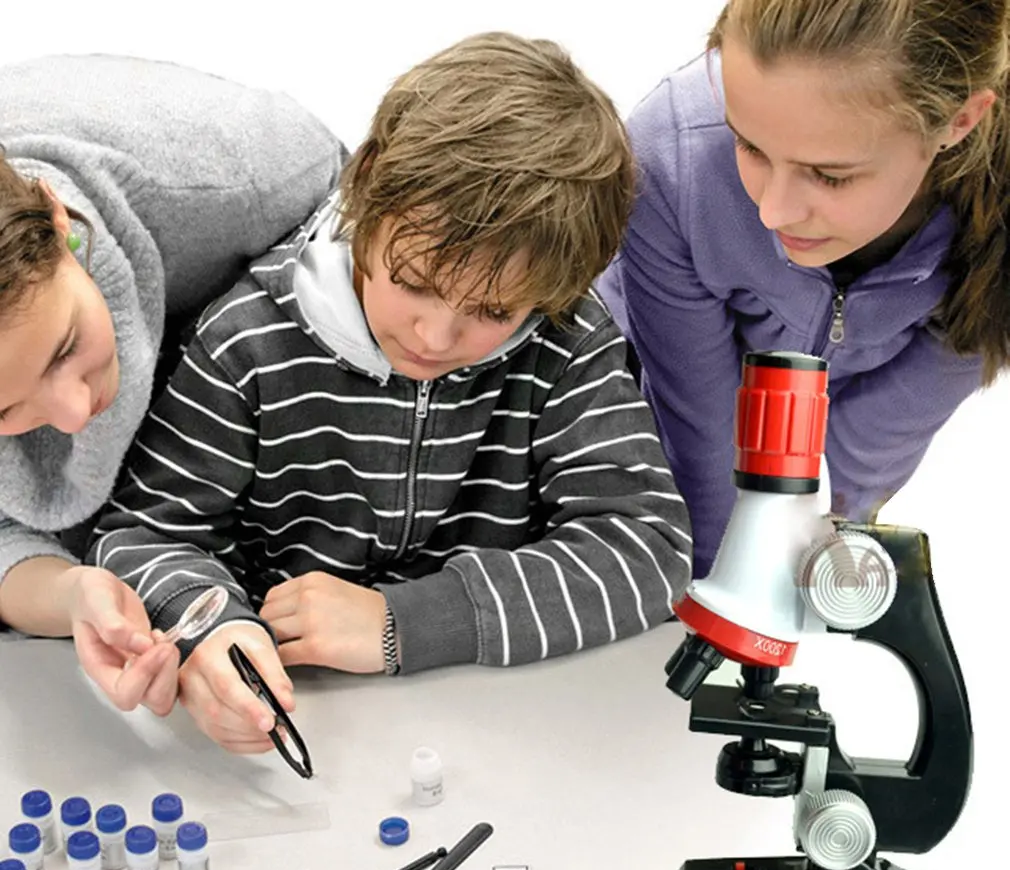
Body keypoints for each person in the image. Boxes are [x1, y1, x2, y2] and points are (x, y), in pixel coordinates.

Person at [86, 32, 693, 756]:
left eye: (494, 312)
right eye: (414, 282)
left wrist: (408, 622)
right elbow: (143, 534)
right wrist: (212, 632)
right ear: (368, 188)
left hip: (497, 730)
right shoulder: (246, 340)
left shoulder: (566, 341)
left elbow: (648, 547)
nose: (435, 337)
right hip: (297, 726)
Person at [598, 0, 1009, 578]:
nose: (773, 211)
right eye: (749, 146)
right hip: (647, 452)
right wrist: (715, 584)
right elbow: (700, 436)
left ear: (959, 121)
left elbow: (869, 448)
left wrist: (802, 562)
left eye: (829, 175)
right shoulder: (670, 158)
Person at [0, 54, 345, 712]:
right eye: (4, 411)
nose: (75, 413)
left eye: (64, 347)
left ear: (58, 219)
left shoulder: (244, 173)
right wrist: (76, 593)